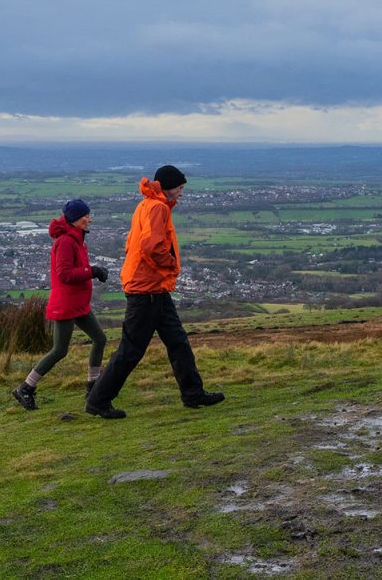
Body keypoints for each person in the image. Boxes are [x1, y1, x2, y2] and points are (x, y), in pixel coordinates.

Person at [85, 165, 224, 419]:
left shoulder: (147, 205)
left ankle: (193, 393)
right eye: (180, 188)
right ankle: (98, 401)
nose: (182, 193)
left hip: (154, 289)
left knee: (178, 342)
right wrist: (172, 264)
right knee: (131, 350)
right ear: (170, 186)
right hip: (146, 290)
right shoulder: (157, 207)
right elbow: (152, 247)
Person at [12, 199, 109, 411]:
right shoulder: (65, 242)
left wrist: (92, 271)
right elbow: (64, 274)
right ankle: (26, 388)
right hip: (65, 305)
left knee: (100, 339)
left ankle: (92, 387)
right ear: (75, 219)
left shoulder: (78, 239)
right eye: (86, 216)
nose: (90, 219)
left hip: (78, 303)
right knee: (59, 350)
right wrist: (91, 271)